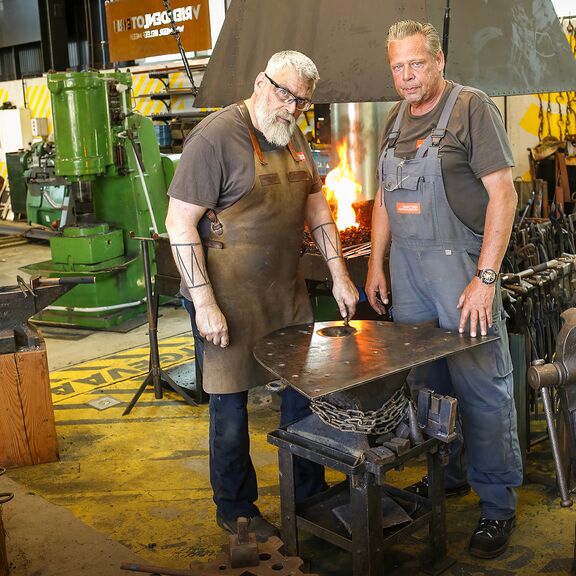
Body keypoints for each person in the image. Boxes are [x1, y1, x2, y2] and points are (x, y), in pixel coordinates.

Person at [165, 50, 359, 542]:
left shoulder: (290, 134)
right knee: (230, 406)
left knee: (303, 396)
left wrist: (339, 273)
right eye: (284, 94)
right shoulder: (213, 138)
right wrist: (204, 302)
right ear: (260, 82)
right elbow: (178, 222)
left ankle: (307, 490)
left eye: (302, 102)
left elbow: (317, 210)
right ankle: (235, 506)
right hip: (227, 297)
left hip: (284, 290)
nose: (291, 108)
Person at [365, 20, 523, 559]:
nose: (407, 76)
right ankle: (447, 474)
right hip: (408, 274)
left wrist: (485, 278)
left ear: (439, 62)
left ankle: (497, 505)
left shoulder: (471, 108)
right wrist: (377, 262)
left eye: (416, 64)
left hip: (462, 274)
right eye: (398, 67)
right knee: (429, 388)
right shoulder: (392, 121)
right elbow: (384, 199)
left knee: (482, 390)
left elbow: (503, 195)